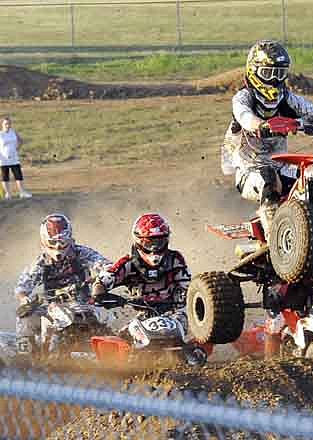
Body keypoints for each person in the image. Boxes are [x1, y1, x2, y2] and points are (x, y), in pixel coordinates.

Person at [221, 39, 313, 235]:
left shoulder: (286, 98)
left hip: (281, 165)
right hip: (249, 170)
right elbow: (244, 116)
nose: (274, 80)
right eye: (268, 73)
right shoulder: (244, 97)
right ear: (253, 71)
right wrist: (261, 126)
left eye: (280, 73)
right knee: (269, 177)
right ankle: (273, 236)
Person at [14, 214, 110, 361]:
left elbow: (105, 264)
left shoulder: (81, 253)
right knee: (24, 317)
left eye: (62, 242)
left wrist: (102, 277)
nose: (58, 246)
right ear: (45, 240)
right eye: (53, 242)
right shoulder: (40, 263)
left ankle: (109, 352)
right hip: (53, 306)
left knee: (105, 321)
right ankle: (26, 357)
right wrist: (24, 299)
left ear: (69, 239)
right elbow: (22, 287)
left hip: (84, 303)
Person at [92, 213, 191, 333]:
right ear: (138, 241)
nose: (154, 248)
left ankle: (195, 351)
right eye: (149, 243)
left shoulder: (175, 259)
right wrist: (100, 292)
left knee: (185, 329)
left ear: (166, 240)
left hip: (173, 312)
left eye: (159, 242)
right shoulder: (127, 263)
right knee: (123, 336)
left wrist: (186, 296)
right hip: (141, 314)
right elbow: (105, 279)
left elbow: (188, 286)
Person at [0, 116, 32, 200]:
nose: (8, 125)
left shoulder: (13, 132)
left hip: (14, 158)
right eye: (6, 124)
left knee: (18, 176)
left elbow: (21, 140)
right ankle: (8, 194)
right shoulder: (0, 134)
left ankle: (22, 192)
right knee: (5, 177)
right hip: (3, 160)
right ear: (2, 124)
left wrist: (17, 148)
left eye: (9, 123)